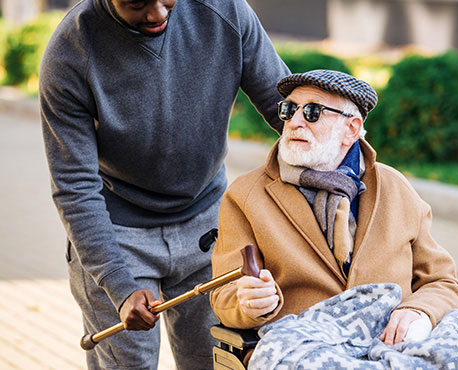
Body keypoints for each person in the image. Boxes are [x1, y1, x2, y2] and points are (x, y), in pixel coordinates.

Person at [39, 0, 289, 369]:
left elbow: (284, 108)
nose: (157, 13)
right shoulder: (70, 53)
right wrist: (118, 285)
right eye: (137, 3)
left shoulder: (225, 11)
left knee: (212, 362)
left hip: (208, 222)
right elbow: (75, 186)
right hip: (117, 232)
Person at [210, 69, 458, 350]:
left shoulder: (395, 188)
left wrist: (419, 311)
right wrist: (249, 303)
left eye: (313, 112)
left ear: (351, 129)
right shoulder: (246, 195)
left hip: (393, 350)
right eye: (290, 110)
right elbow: (224, 294)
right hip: (305, 352)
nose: (295, 122)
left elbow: (443, 281)